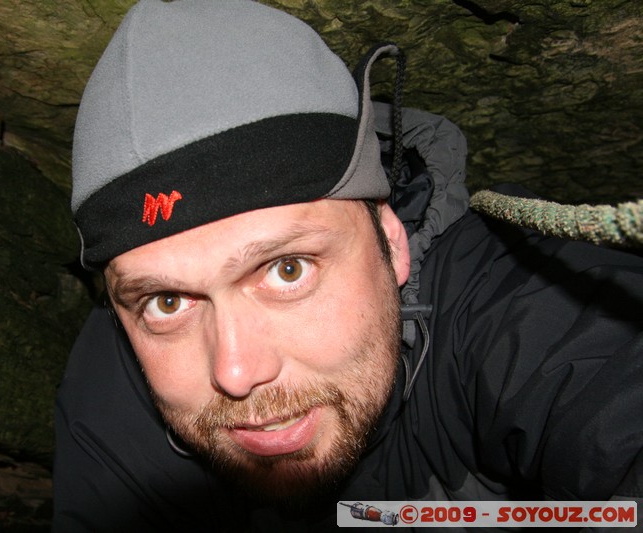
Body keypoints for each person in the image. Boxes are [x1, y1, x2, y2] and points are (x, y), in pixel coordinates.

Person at [53, 0, 643, 530]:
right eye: (168, 301)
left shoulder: (528, 302)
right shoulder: (112, 391)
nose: (236, 371)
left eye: (287, 269)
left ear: (391, 239)